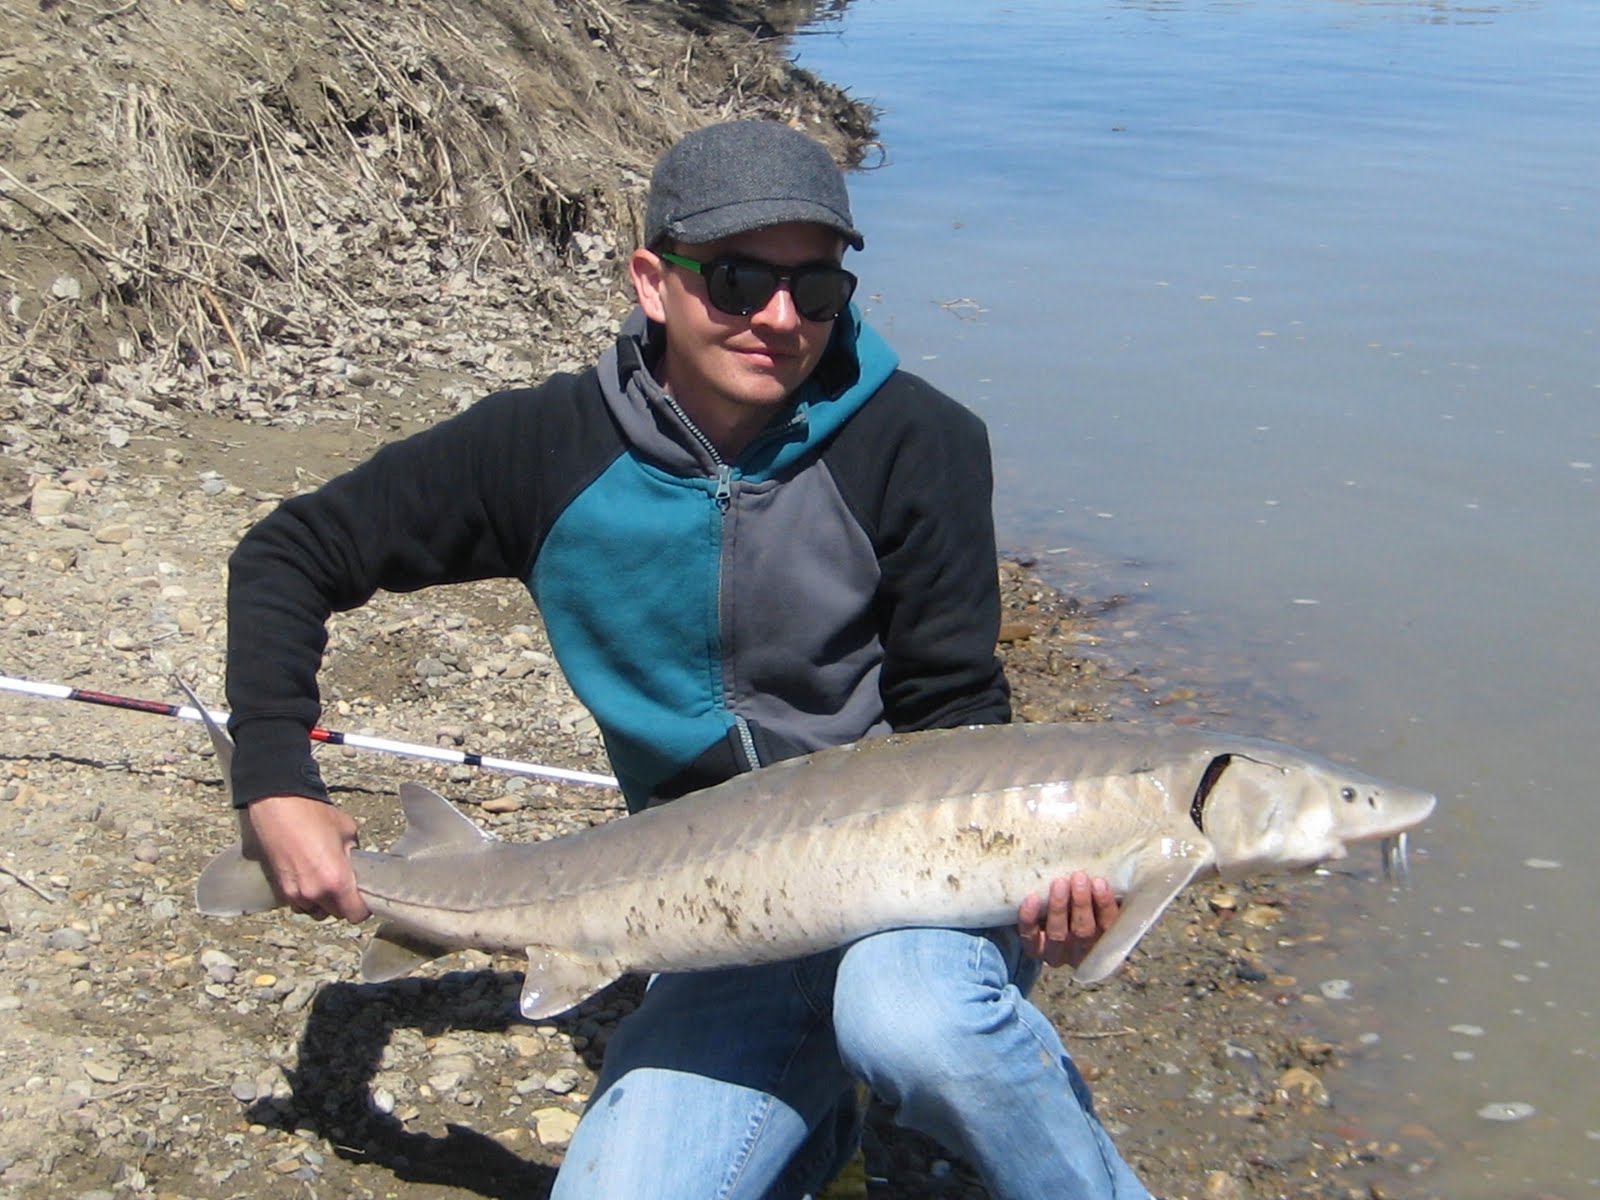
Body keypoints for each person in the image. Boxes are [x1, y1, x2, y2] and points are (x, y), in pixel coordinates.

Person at [225, 119, 1153, 1199]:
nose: (778, 317)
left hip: (915, 895)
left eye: (814, 288)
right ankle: (815, 1125)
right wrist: (276, 779)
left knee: (917, 1022)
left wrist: (1040, 891)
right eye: (737, 279)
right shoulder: (541, 451)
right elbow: (289, 551)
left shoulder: (920, 441)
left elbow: (956, 719)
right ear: (653, 281)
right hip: (703, 914)